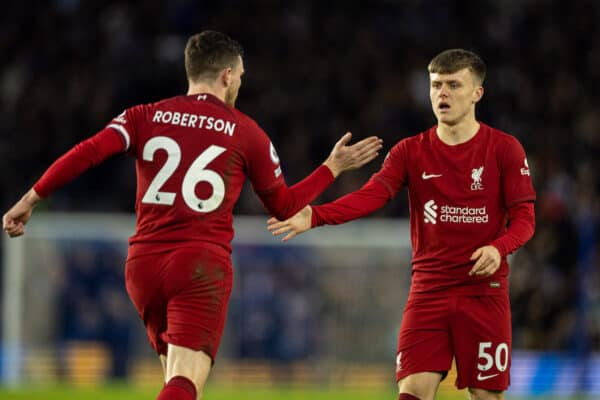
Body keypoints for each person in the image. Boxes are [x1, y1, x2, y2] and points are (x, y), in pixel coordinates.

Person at [2, 31, 382, 400]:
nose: (240, 84)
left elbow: (88, 151)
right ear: (227, 75)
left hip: (143, 266)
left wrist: (31, 197)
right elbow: (283, 207)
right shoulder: (247, 132)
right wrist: (330, 169)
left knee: (176, 378)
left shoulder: (145, 115)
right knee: (187, 381)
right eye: (241, 76)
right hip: (199, 264)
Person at [268, 49, 536, 400]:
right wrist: (315, 215)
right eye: (436, 85)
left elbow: (526, 220)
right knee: (411, 392)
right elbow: (372, 195)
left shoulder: (504, 149)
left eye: (454, 85)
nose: (443, 93)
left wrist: (498, 248)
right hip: (429, 291)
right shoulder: (410, 151)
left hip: (483, 293)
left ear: (477, 93)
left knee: (486, 395)